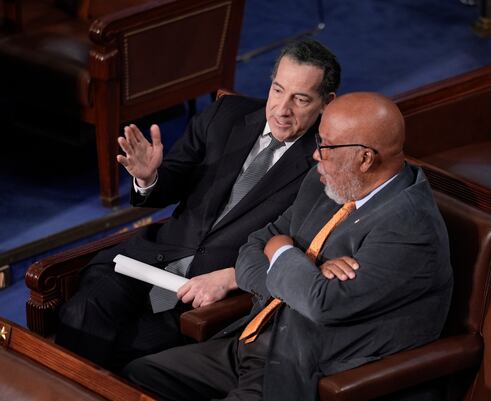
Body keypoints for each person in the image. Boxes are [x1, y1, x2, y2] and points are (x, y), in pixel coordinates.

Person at [124, 92, 454, 401]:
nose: (315, 155)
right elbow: (252, 248)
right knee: (139, 375)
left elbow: (322, 304)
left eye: (325, 146)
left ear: (365, 158)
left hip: (308, 371)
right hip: (252, 342)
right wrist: (303, 270)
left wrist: (283, 251)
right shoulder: (325, 182)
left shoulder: (410, 227)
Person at [54, 39, 340, 371]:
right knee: (81, 315)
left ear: (326, 103)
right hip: (148, 263)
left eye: (300, 99)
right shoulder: (226, 114)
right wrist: (149, 177)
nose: (281, 108)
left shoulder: (326, 164)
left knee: (129, 353)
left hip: (207, 296)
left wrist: (233, 277)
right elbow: (173, 180)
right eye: (277, 90)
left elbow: (304, 250)